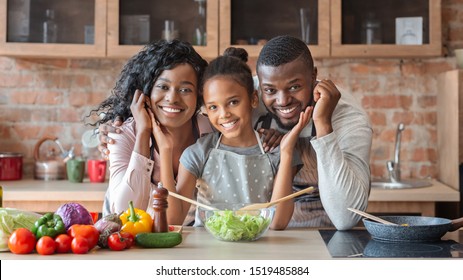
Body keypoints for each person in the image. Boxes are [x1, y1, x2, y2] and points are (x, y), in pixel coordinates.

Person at [152, 47, 309, 229]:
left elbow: (277, 222)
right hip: (207, 254)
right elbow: (173, 220)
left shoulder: (276, 152)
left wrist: (287, 152)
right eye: (213, 107)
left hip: (259, 253)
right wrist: (165, 150)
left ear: (253, 99)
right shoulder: (199, 153)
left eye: (233, 102)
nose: (224, 114)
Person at [254, 35, 372, 230]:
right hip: (265, 232)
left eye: (294, 87)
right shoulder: (245, 99)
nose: (282, 101)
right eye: (270, 90)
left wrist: (323, 124)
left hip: (331, 234)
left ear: (313, 76)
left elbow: (346, 218)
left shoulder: (350, 117)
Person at [88, 39, 212, 221]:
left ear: (199, 95)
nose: (172, 98)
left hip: (186, 240)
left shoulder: (209, 133)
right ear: (145, 92)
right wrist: (143, 134)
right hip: (127, 239)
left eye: (185, 90)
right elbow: (124, 214)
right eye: (163, 87)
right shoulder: (122, 134)